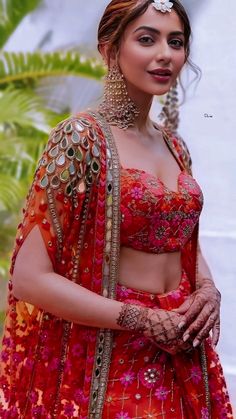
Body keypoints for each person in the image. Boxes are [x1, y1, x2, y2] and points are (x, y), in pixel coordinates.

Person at [0, 0, 233, 417]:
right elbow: (30, 278)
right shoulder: (79, 139)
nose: (165, 53)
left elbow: (182, 241)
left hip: (182, 350)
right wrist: (140, 319)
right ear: (109, 48)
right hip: (113, 356)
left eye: (175, 42)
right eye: (147, 39)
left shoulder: (174, 145)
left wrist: (207, 290)